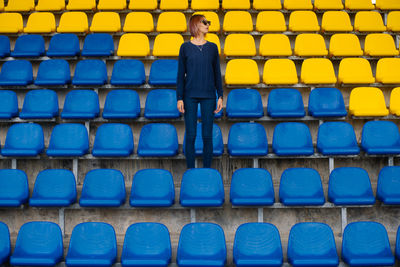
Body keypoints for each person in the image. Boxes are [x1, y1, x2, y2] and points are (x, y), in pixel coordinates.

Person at [176, 14, 223, 169]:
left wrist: (220, 96)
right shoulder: (185, 47)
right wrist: (179, 97)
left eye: (208, 22)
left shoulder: (212, 47)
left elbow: (217, 72)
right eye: (204, 22)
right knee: (190, 135)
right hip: (189, 96)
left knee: (207, 136)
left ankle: (207, 170)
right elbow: (180, 74)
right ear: (195, 24)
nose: (208, 24)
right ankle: (190, 170)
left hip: (209, 96)